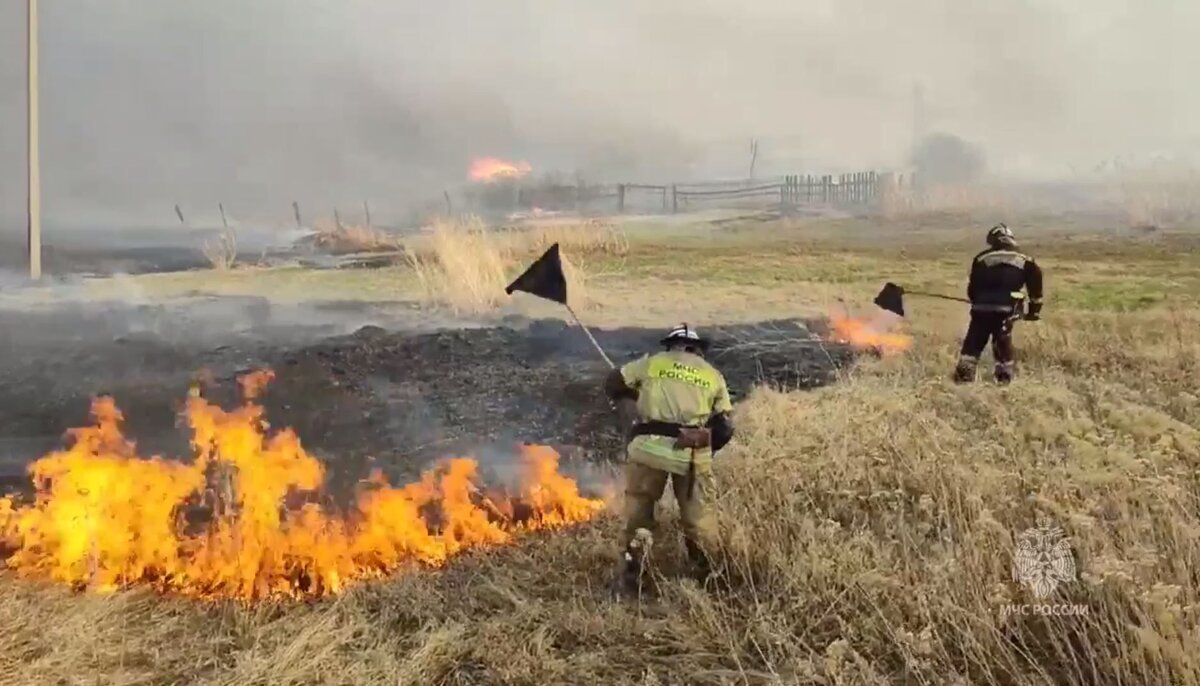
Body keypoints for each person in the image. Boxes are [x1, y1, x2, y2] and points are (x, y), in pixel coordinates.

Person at [603, 323, 735, 592]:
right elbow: (725, 425)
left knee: (639, 515)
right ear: (697, 349)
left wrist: (632, 398)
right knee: (699, 519)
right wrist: (707, 449)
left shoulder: (652, 364)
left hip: (648, 450)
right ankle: (707, 577)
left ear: (670, 345)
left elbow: (613, 382)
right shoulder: (713, 375)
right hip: (692, 456)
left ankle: (633, 576)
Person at [954, 223, 1044, 384]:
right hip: (1007, 309)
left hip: (981, 309)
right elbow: (1036, 289)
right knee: (1002, 341)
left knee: (974, 341)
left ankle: (963, 379)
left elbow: (973, 287)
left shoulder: (981, 258)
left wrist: (977, 302)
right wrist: (1033, 312)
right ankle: (1003, 380)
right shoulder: (1026, 260)